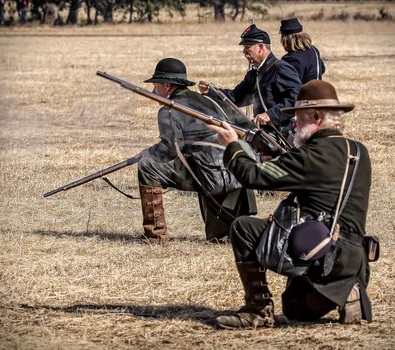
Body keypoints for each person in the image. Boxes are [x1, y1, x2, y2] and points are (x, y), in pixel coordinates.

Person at [208, 80, 372, 328]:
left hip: (322, 255)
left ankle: (257, 310)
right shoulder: (359, 151)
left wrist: (233, 146)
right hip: (354, 260)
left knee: (243, 227)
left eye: (298, 117)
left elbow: (253, 176)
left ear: (316, 116)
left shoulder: (308, 157)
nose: (293, 124)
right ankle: (348, 291)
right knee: (295, 309)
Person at [137, 57, 257, 244]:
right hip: (238, 170)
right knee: (220, 239)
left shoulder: (168, 110)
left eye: (156, 85)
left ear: (167, 86)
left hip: (212, 177)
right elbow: (247, 128)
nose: (154, 90)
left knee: (147, 166)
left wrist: (147, 154)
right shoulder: (212, 102)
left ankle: (155, 236)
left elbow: (168, 150)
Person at [199, 24, 301, 135]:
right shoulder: (254, 73)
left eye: (247, 48)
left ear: (261, 47)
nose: (244, 52)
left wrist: (270, 114)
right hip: (264, 131)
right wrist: (211, 91)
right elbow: (236, 97)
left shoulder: (280, 68)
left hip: (283, 131)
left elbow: (297, 98)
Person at [280, 17, 326, 83]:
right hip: (318, 90)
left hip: (304, 93)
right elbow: (322, 69)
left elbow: (289, 84)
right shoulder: (314, 50)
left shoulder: (291, 58)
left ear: (285, 39)